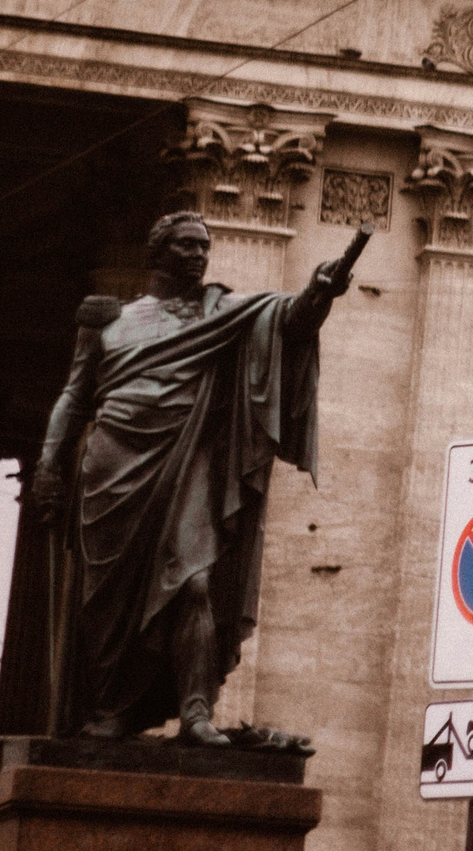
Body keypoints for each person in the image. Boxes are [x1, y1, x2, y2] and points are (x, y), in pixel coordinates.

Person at [33, 211, 360, 749]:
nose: (198, 254)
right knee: (109, 600)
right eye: (186, 245)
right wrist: (50, 461)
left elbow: (289, 321)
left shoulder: (224, 311)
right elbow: (75, 395)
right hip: (113, 467)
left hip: (188, 461)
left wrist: (320, 292)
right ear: (157, 252)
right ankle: (112, 709)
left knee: (196, 580)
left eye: (204, 246)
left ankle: (195, 710)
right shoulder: (109, 320)